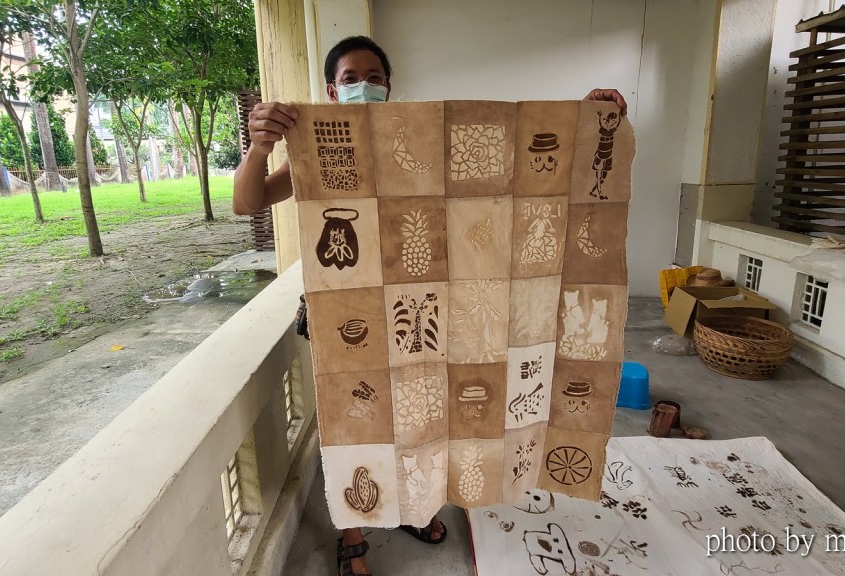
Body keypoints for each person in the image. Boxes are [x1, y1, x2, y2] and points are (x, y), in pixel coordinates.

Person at [233, 35, 627, 576]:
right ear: (332, 90)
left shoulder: (421, 140)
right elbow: (248, 202)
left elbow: (516, 155)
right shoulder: (324, 149)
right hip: (349, 310)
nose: (364, 86)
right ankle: (354, 533)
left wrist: (584, 118)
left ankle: (414, 507)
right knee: (356, 421)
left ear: (389, 86)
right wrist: (259, 147)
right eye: (350, 79)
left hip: (424, 308)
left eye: (374, 77)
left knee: (426, 411)